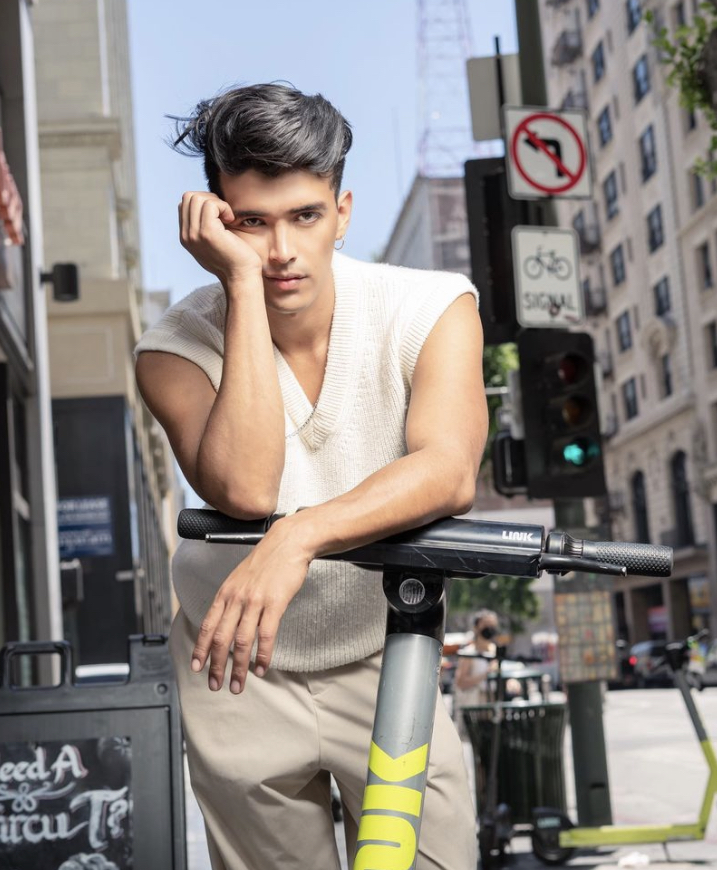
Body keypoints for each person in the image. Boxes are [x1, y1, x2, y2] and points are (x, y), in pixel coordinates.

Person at [134, 82, 488, 870]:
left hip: (386, 650)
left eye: (304, 216)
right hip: (237, 668)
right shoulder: (174, 346)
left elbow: (447, 469)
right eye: (251, 223)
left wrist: (299, 537)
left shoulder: (428, 307)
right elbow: (247, 490)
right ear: (214, 219)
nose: (281, 251)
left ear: (343, 210)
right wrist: (238, 290)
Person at [452, 609, 500, 740]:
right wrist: (485, 674)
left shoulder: (495, 651)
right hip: (477, 709)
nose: (489, 628)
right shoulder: (469, 653)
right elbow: (460, 682)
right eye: (486, 624)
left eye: (492, 625)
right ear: (476, 627)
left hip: (494, 708)